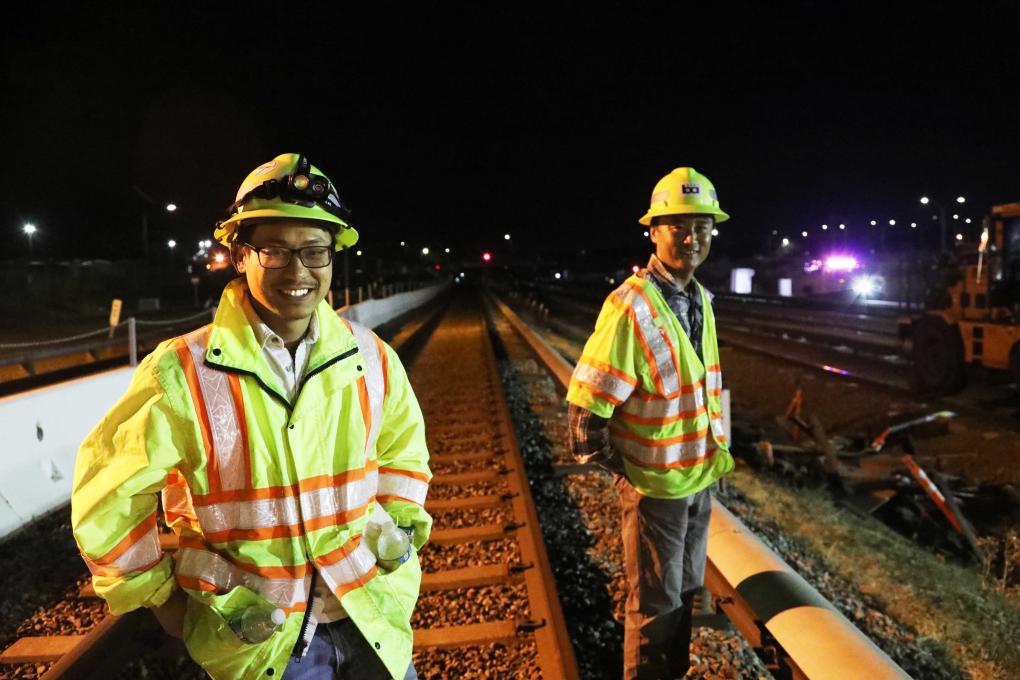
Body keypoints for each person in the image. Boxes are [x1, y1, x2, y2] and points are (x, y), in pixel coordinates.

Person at [71, 153, 431, 680]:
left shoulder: (371, 357)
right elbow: (109, 493)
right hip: (262, 638)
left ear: (333, 257)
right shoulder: (181, 373)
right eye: (274, 251)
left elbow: (405, 456)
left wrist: (394, 545)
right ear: (240, 256)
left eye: (315, 251)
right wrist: (156, 596)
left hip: (370, 614)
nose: (298, 271)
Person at [566, 167, 734, 679]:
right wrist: (630, 476)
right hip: (656, 488)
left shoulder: (699, 299)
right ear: (654, 231)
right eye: (678, 226)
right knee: (655, 607)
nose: (692, 237)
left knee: (684, 593)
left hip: (697, 479)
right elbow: (584, 417)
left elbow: (706, 386)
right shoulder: (631, 306)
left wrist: (713, 454)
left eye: (702, 226)